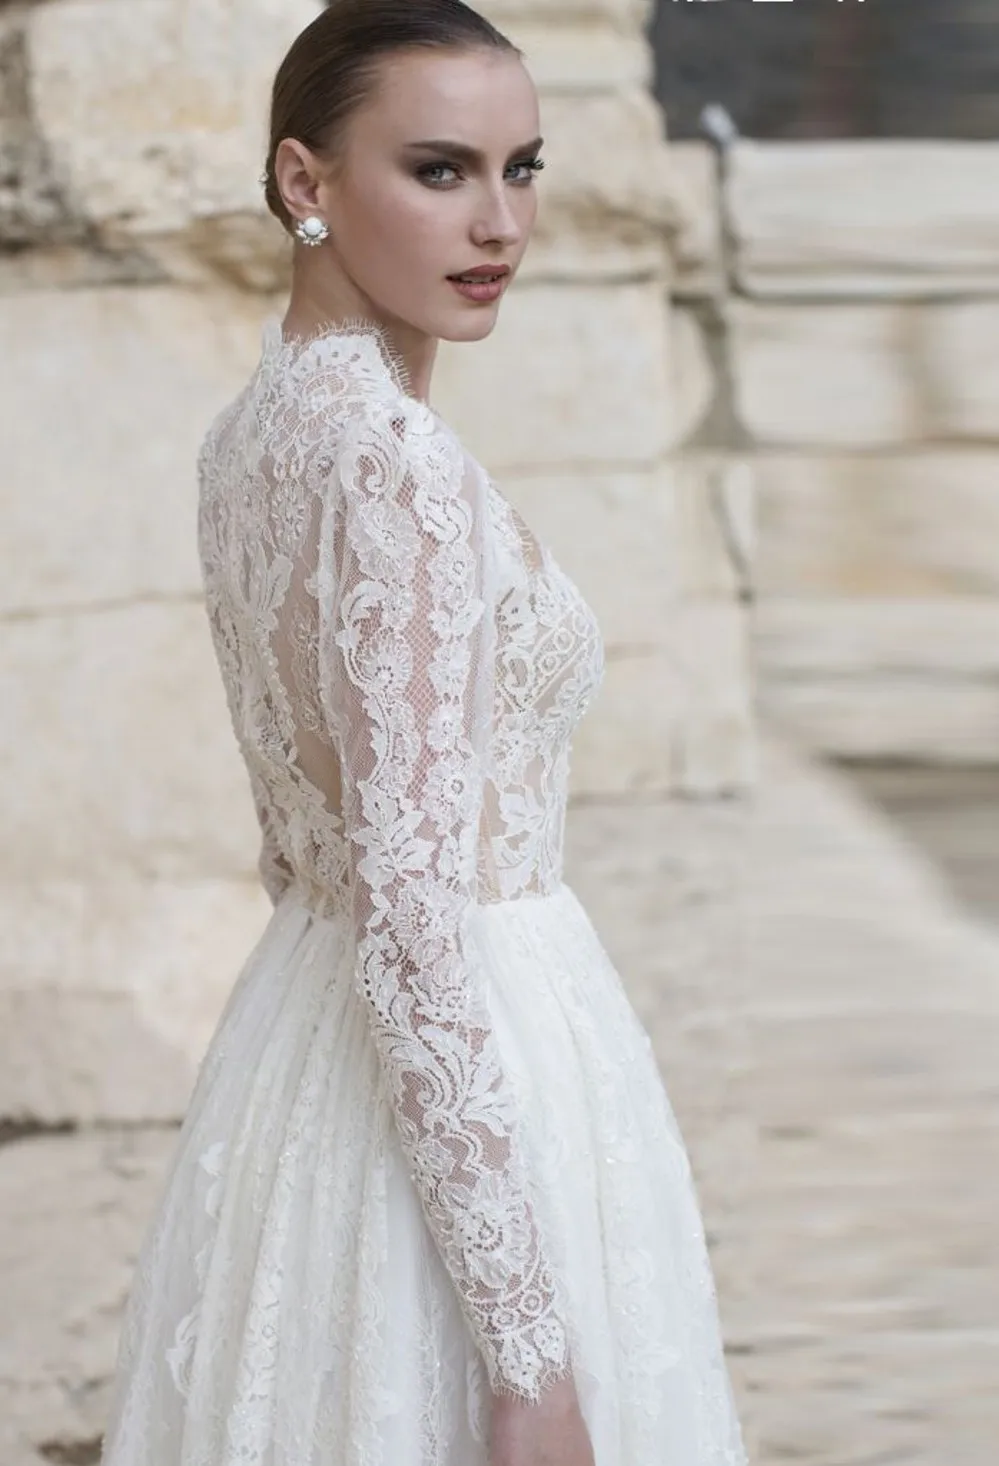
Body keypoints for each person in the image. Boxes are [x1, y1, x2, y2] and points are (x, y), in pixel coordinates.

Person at [99, 4, 749, 1464]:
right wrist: (526, 1357)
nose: (500, 221)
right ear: (305, 181)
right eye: (440, 169)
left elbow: (296, 848)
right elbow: (409, 912)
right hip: (474, 1042)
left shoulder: (248, 436)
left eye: (524, 167)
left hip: (305, 1034)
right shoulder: (393, 466)